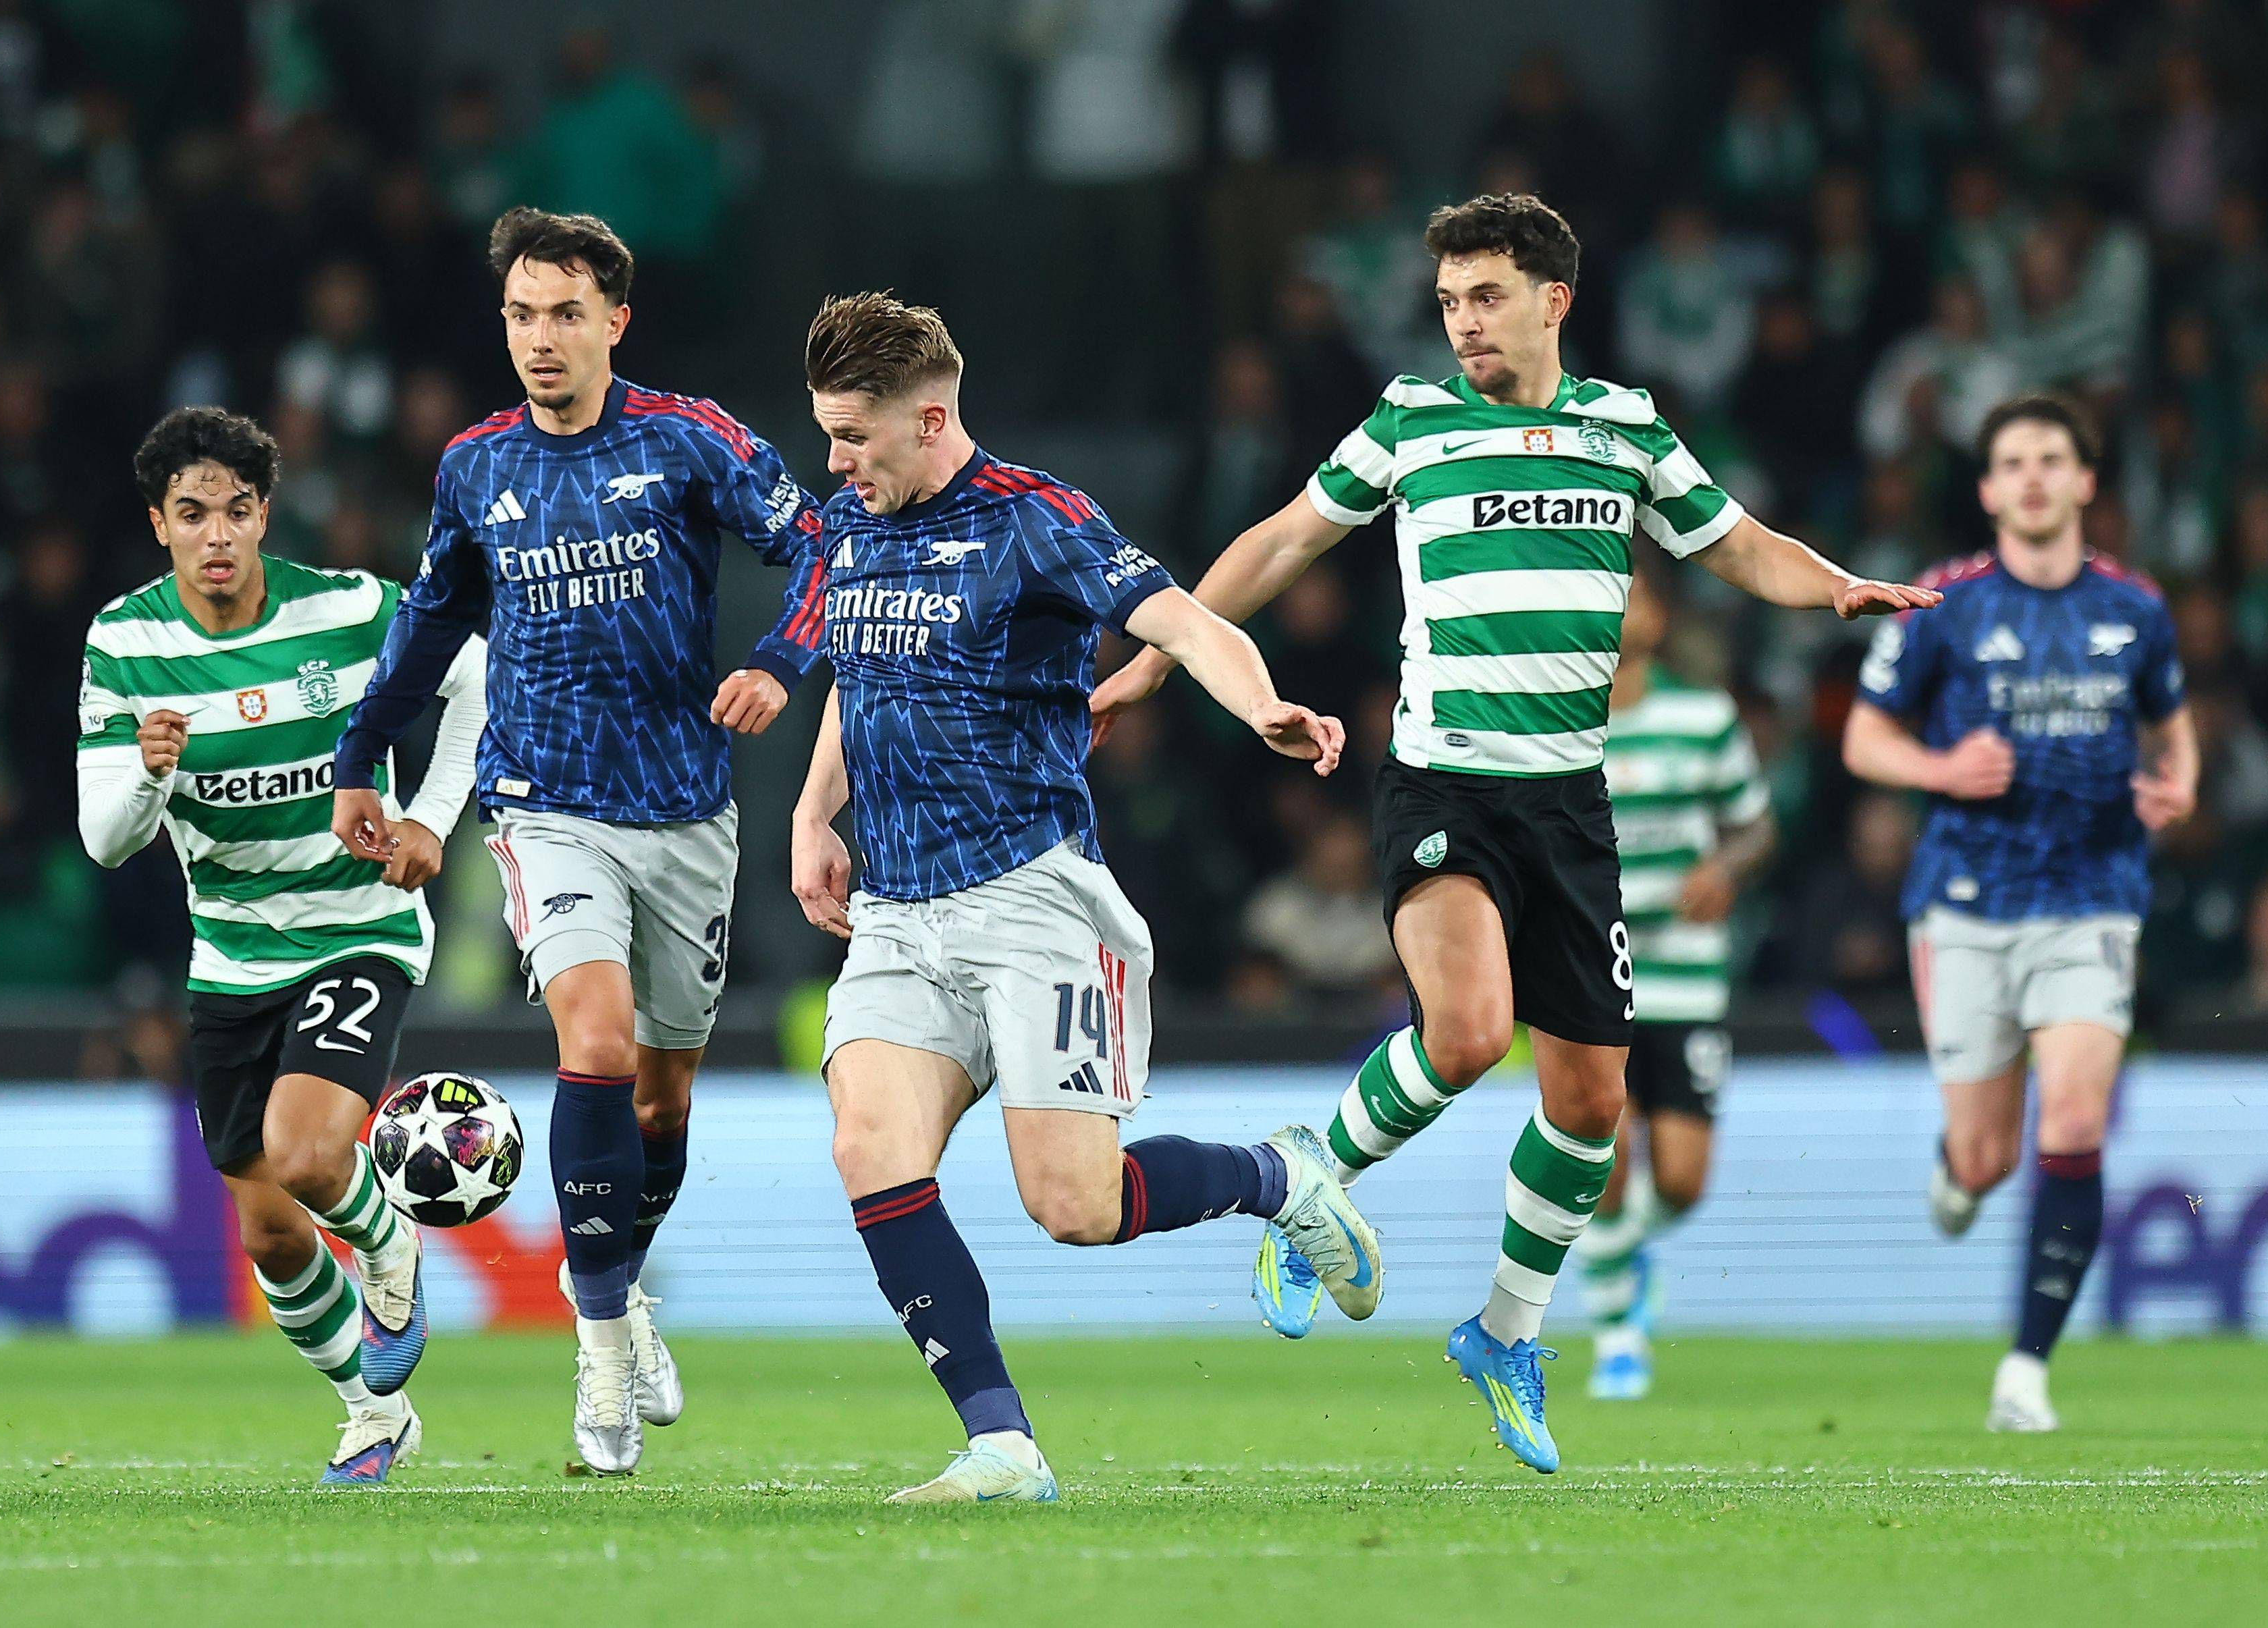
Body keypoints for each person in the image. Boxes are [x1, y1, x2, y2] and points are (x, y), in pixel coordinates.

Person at [1092, 192, 1937, 1473]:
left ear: (1553, 301)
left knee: (1590, 1104)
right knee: (1467, 1029)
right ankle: (1301, 1176)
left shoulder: (1624, 429)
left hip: (1567, 806)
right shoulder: (1408, 423)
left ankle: (1501, 1332)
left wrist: (1831, 586)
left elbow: (1736, 544)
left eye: (1484, 298)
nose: (1463, 325)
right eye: (1447, 303)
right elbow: (1280, 538)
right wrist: (1166, 656)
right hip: (1443, 785)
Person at [787, 291, 1382, 1505]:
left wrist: (1256, 701)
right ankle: (1001, 1444)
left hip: (1032, 900)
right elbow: (859, 669)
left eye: (853, 436)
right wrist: (813, 810)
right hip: (899, 911)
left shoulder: (1038, 520)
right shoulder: (850, 523)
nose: (833, 461)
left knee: (1073, 1203)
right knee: (868, 1145)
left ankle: (1275, 1175)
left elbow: (1185, 621)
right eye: (827, 434)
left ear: (931, 415)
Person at [329, 208, 827, 1477]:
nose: (539, 339)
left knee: (661, 1096)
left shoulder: (685, 438)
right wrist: (354, 765)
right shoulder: (472, 467)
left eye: (563, 314)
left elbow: (826, 539)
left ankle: (613, 1282)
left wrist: (778, 660)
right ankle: (600, 1352)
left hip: (687, 813)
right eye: (518, 315)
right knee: (593, 1045)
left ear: (615, 319)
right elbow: (427, 633)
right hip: (545, 804)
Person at [76, 407, 486, 1485]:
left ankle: (391, 1247)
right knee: (265, 1228)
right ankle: (372, 1414)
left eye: (238, 511)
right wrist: (151, 772)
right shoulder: (126, 644)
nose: (218, 533)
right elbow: (105, 840)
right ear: (159, 524)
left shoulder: (350, 611)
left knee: (309, 1155)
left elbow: (479, 676)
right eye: (193, 513)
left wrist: (434, 819)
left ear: (265, 516)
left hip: (359, 928)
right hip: (232, 958)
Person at [1843, 393, 2198, 1432]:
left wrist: (2178, 783)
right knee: (1988, 1157)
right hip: (1965, 902)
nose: (2035, 476)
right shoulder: (1946, 602)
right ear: (1990, 489)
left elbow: (2175, 734)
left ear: (2086, 481)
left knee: (2078, 1116)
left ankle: (2026, 1371)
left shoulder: (2136, 609)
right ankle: (1960, 1174)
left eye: (2054, 458)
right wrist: (1943, 766)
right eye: (2014, 462)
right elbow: (1866, 741)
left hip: (2093, 897)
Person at [1577, 565, 1773, 1401]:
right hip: (1592, 973)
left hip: (1688, 978)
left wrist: (1725, 868)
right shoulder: (1561, 726)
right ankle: (1619, 1337)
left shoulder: (1705, 718)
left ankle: (1624, 1258)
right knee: (1607, 1164)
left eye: (1639, 598)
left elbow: (1755, 824)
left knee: (1684, 1182)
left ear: (1658, 618)